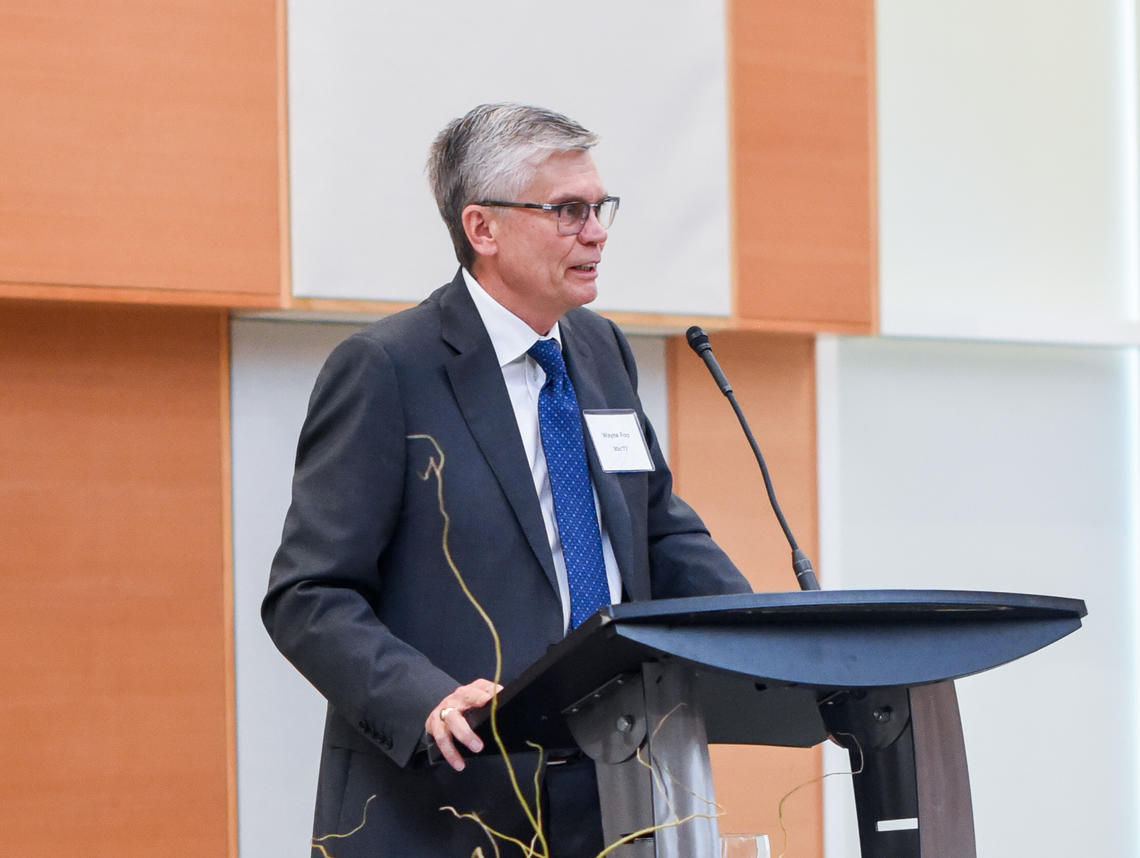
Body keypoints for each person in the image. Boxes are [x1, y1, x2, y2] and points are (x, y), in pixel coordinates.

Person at [263, 103, 750, 857]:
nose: (596, 232)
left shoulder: (599, 349)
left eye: (599, 208)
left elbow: (656, 528)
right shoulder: (388, 370)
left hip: (622, 781)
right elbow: (308, 594)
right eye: (567, 211)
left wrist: (771, 636)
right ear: (482, 229)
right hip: (460, 793)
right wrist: (423, 700)